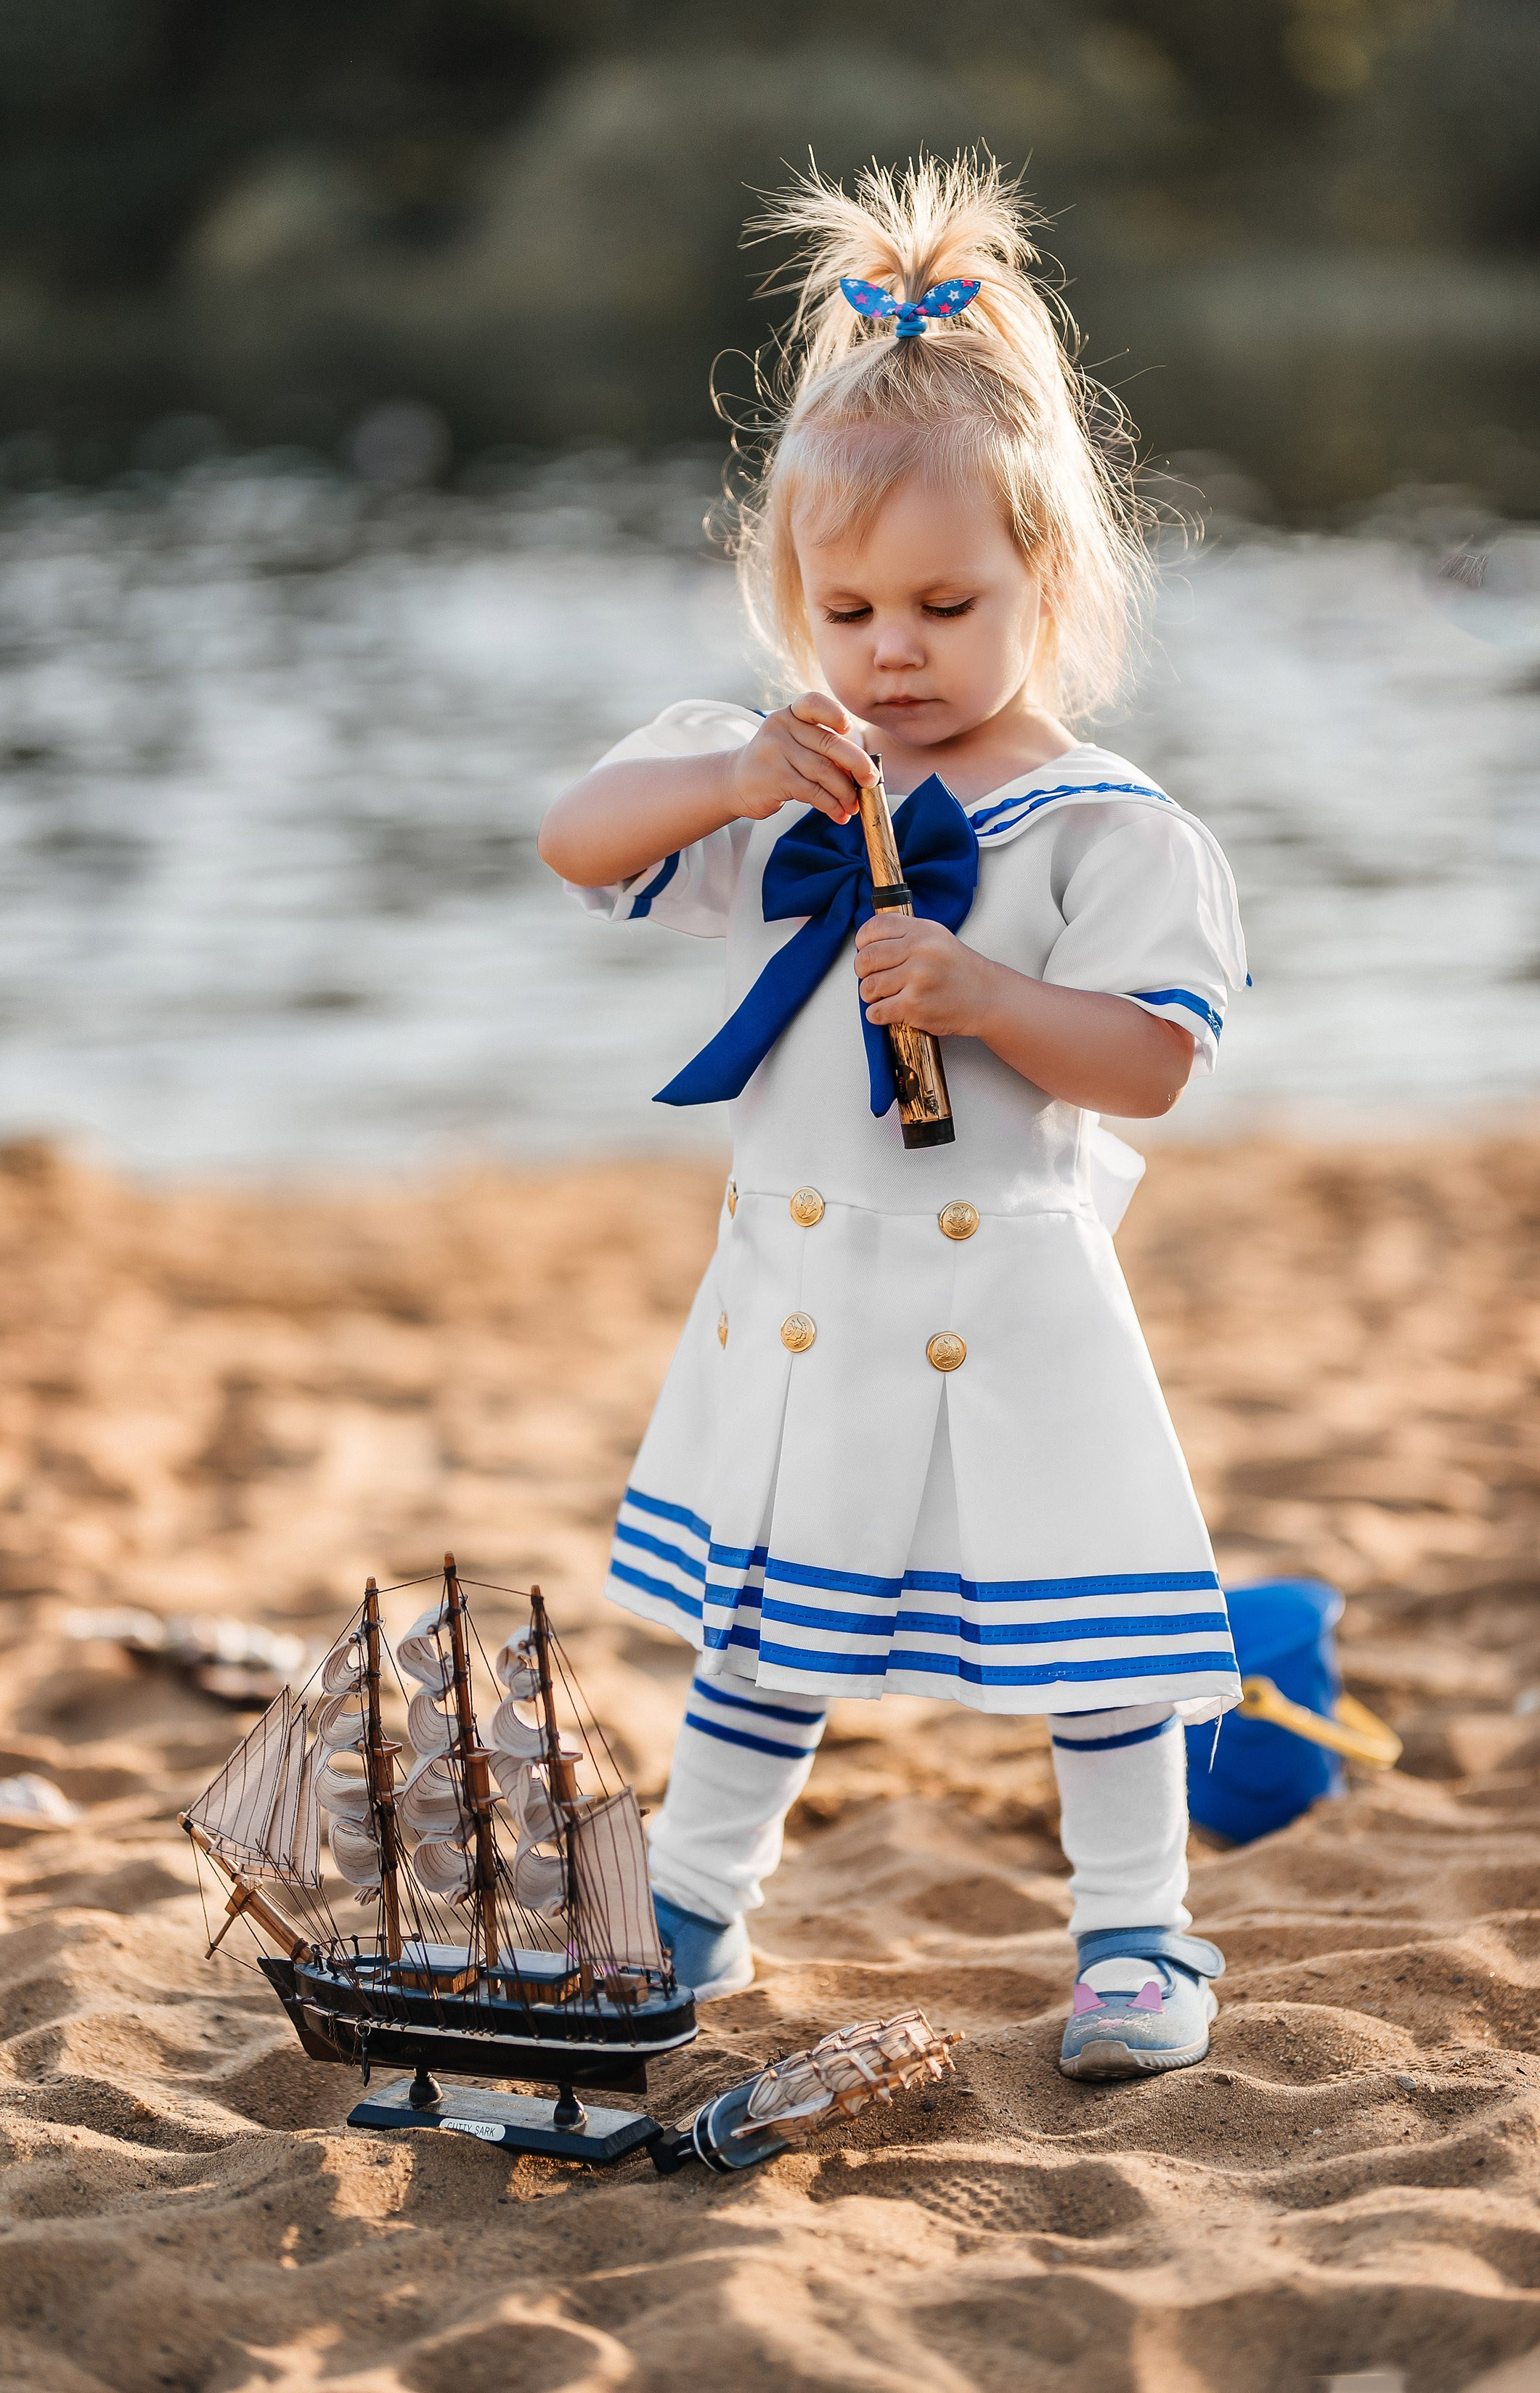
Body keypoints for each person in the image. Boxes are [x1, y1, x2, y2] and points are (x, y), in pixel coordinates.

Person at [537, 154, 1245, 2080]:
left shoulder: (1109, 826)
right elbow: (572, 841)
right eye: (843, 609)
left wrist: (993, 997)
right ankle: (690, 1905)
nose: (891, 651)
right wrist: (721, 774)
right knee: (765, 1631)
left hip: (1008, 1303)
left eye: (944, 602)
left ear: (1051, 580)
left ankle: (1136, 1937)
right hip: (804, 1297)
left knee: (1099, 1644)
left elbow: (1157, 1058)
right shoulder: (785, 784)